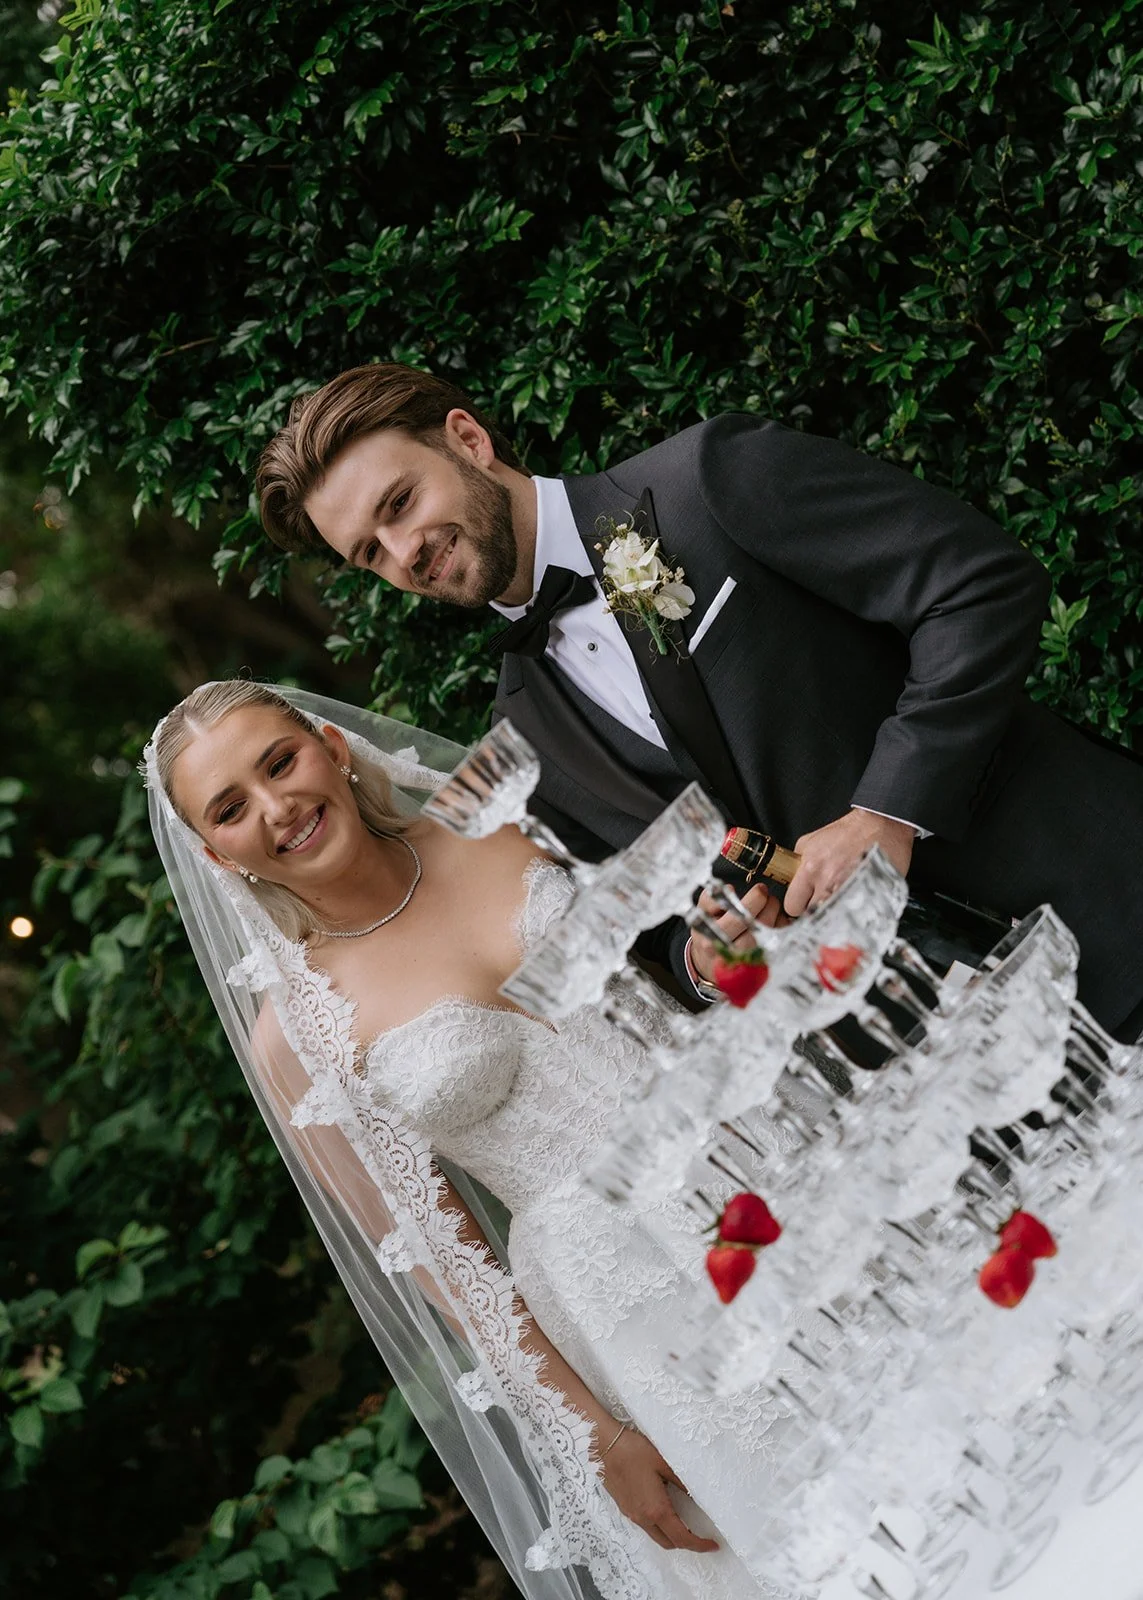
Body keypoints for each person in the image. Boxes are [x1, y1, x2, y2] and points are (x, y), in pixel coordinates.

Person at [255, 365, 1143, 1041]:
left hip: (1104, 901)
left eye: (400, 504)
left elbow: (977, 590)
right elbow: (657, 941)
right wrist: (708, 958)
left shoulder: (709, 481)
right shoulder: (522, 734)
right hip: (970, 1056)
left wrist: (886, 812)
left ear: (468, 439)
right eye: (369, 552)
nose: (404, 551)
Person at [146, 679, 798, 1600]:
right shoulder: (295, 1035)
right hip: (624, 1294)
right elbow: (442, 1263)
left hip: (762, 1159)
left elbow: (674, 961)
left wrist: (726, 957)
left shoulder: (502, 820)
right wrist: (593, 1432)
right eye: (231, 808)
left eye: (279, 762)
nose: (275, 806)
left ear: (332, 746)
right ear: (219, 857)